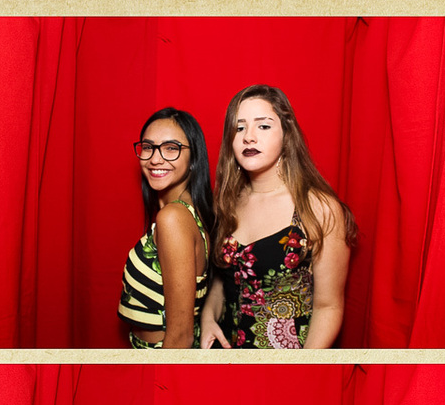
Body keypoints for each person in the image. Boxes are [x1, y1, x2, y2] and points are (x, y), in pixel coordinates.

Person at [199, 85, 356, 349]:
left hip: (288, 360)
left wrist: (302, 368)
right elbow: (222, 280)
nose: (249, 137)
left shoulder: (318, 208)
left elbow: (328, 307)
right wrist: (207, 317)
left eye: (263, 126)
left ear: (286, 134)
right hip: (226, 355)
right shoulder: (226, 202)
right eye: (239, 128)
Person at [119, 107, 215, 348]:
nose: (155, 158)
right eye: (148, 147)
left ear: (194, 158)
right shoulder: (188, 212)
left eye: (171, 148)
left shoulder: (173, 218)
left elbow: (181, 336)